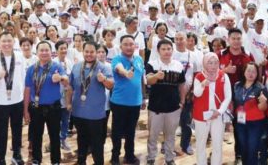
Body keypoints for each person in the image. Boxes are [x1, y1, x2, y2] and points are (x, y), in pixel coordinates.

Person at [67, 41, 114, 165]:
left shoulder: (103, 67)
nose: (89, 54)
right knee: (81, 140)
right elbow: (70, 87)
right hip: (78, 112)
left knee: (97, 144)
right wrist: (68, 103)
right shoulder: (76, 67)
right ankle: (81, 161)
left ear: (96, 53)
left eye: (92, 52)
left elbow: (110, 85)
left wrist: (103, 79)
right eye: (86, 51)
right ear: (83, 52)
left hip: (96, 114)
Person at [23, 41, 67, 165]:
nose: (44, 52)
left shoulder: (57, 66)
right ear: (36, 52)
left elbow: (66, 80)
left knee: (54, 136)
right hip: (36, 108)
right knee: (36, 136)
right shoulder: (31, 69)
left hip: (53, 108)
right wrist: (25, 110)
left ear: (51, 52)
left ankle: (56, 161)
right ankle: (37, 159)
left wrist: (61, 78)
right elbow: (27, 90)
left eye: (46, 50)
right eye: (41, 50)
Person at [145, 39, 186, 165]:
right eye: (163, 49)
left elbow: (182, 85)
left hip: (173, 107)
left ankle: (169, 158)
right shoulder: (152, 64)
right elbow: (148, 81)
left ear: (172, 50)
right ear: (158, 51)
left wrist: (182, 101)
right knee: (153, 135)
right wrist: (156, 76)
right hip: (155, 107)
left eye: (169, 49)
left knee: (170, 135)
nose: (166, 51)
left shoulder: (178, 65)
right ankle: (151, 157)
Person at [0, 32, 26, 165]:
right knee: (1, 132)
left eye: (9, 41)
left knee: (17, 129)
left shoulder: (20, 57)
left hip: (17, 100)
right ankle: (1, 158)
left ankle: (16, 155)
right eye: (3, 41)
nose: (6, 44)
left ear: (13, 42)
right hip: (1, 102)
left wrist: (21, 96)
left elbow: (23, 77)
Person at [109, 34, 145, 165]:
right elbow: (119, 68)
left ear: (135, 46)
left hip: (135, 102)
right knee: (117, 131)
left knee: (131, 131)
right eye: (126, 44)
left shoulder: (139, 59)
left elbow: (141, 79)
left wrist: (143, 97)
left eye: (131, 44)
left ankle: (129, 155)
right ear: (121, 46)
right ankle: (114, 156)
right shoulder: (116, 59)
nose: (129, 47)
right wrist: (126, 73)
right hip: (119, 102)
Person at [192, 52, 231, 165]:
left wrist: (219, 111)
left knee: (217, 144)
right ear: (204, 63)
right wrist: (203, 84)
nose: (213, 66)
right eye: (210, 63)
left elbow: (228, 96)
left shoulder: (224, 76)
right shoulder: (199, 76)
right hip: (201, 116)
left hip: (217, 116)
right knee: (200, 143)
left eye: (215, 63)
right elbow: (196, 93)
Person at [232, 62, 268, 165]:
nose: (251, 73)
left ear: (257, 74)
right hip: (240, 122)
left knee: (252, 149)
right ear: (244, 72)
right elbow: (233, 103)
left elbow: (264, 108)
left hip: (255, 123)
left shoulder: (260, 88)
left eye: (254, 71)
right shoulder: (237, 86)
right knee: (243, 148)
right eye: (248, 70)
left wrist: (263, 102)